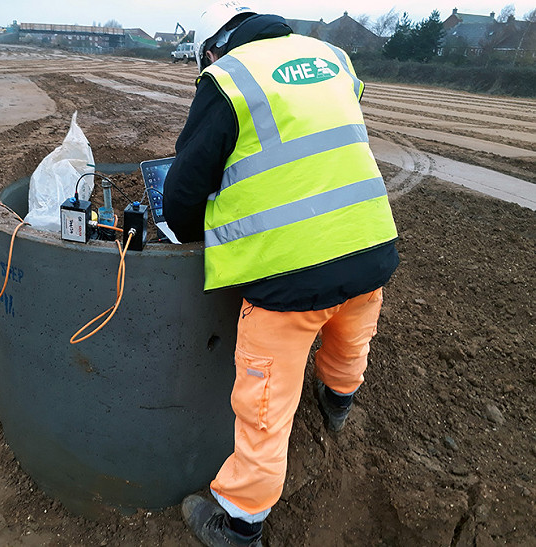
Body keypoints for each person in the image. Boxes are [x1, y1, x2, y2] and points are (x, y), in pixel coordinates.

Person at [162, 2, 400, 546]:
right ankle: (338, 403)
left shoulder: (226, 78)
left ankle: (241, 523)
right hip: (369, 248)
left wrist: (185, 225)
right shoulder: (332, 56)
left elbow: (183, 192)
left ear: (212, 47)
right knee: (350, 338)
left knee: (264, 401)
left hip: (288, 278)